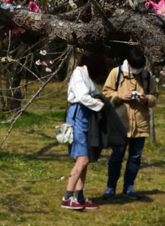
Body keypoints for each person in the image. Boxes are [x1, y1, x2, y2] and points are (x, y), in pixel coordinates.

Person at [101, 47, 157, 201]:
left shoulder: (147, 76)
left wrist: (146, 99)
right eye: (135, 68)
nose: (138, 71)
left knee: (135, 157)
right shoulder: (116, 73)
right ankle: (110, 188)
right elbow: (106, 93)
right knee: (116, 156)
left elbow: (155, 96)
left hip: (140, 124)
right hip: (120, 124)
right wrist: (120, 96)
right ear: (129, 64)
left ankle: (128, 188)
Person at [62, 50, 109, 211]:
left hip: (87, 117)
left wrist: (99, 100)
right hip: (78, 117)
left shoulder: (87, 75)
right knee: (82, 159)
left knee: (85, 159)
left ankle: (79, 197)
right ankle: (67, 198)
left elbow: (94, 93)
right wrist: (100, 106)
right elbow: (82, 96)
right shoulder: (78, 73)